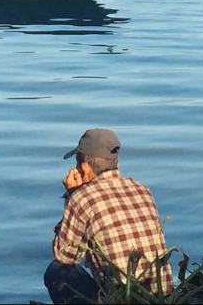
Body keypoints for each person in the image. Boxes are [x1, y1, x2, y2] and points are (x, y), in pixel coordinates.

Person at [44, 129, 174, 305]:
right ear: (117, 163)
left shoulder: (82, 198)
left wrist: (72, 194)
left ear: (84, 168)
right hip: (160, 297)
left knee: (56, 271)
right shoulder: (142, 189)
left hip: (121, 299)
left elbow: (65, 256)